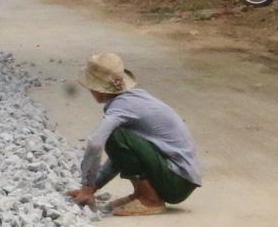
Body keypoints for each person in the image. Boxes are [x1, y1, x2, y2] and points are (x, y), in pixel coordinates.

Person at [66, 51, 201, 216]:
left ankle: (150, 200)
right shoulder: (135, 98)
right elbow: (122, 155)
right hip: (180, 179)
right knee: (120, 140)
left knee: (115, 137)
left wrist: (86, 187)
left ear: (98, 88)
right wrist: (93, 187)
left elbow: (95, 143)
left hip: (177, 181)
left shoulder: (120, 108)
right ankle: (141, 194)